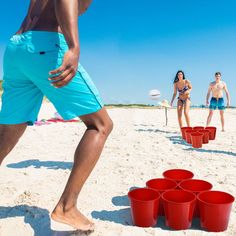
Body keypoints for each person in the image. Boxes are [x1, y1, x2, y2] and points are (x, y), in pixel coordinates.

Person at [0, 0, 113, 231]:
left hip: (16, 47)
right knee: (101, 125)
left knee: (8, 131)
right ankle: (67, 208)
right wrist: (73, 47)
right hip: (46, 46)